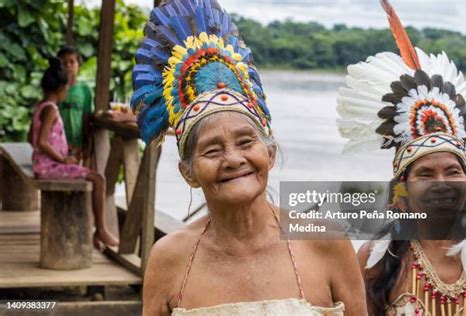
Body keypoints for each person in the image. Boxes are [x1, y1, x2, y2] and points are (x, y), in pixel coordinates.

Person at [134, 1, 366, 315]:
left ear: (269, 153)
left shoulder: (326, 242)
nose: (232, 159)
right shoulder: (169, 258)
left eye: (246, 142)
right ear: (187, 172)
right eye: (212, 150)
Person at [336, 0, 466, 315]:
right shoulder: (378, 260)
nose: (441, 184)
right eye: (425, 175)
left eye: (452, 172)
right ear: (403, 189)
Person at [29, 57, 118, 250]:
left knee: (93, 177)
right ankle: (101, 229)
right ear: (62, 88)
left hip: (44, 164)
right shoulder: (52, 110)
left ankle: (98, 230)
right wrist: (63, 158)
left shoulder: (40, 106)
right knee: (98, 178)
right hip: (49, 167)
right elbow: (42, 142)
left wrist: (62, 151)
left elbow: (31, 139)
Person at [57, 46, 93, 161]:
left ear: (78, 64)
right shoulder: (55, 89)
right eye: (64, 62)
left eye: (72, 62)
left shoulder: (85, 90)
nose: (68, 66)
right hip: (56, 141)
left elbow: (86, 118)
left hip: (76, 144)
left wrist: (86, 143)